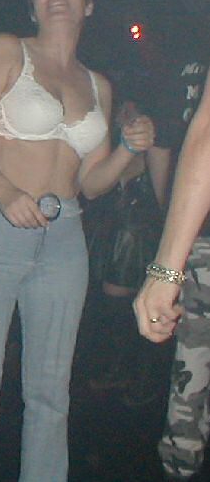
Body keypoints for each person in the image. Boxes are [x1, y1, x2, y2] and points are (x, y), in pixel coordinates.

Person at [0, 0, 155, 482]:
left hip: (64, 239)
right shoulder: (8, 49)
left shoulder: (98, 85)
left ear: (87, 4)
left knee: (51, 394)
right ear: (31, 5)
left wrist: (127, 148)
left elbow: (92, 182)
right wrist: (4, 191)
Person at [134, 68, 210, 481]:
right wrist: (173, 237)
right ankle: (182, 462)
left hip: (196, 241)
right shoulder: (176, 57)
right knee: (192, 369)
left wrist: (167, 264)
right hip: (201, 241)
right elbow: (164, 142)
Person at [84, 95, 171, 405]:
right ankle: (120, 370)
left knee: (140, 305)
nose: (126, 115)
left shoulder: (157, 148)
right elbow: (93, 191)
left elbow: (163, 200)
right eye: (122, 110)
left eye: (132, 110)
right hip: (116, 238)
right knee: (115, 306)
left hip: (142, 235)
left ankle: (139, 377)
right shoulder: (111, 148)